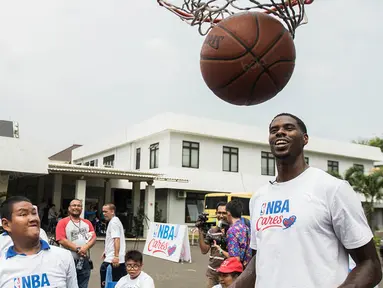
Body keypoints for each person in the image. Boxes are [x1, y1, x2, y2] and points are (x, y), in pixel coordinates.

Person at [229, 113, 382, 288]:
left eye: (288, 128)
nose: (280, 133)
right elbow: (259, 262)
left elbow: (370, 264)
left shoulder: (332, 189)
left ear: (305, 139)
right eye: (274, 130)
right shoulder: (259, 198)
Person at [0, 196, 78, 287]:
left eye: (34, 213)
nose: (33, 218)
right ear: (6, 224)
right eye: (23, 214)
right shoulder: (3, 266)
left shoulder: (63, 257)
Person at [56, 198, 97, 288]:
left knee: (83, 285)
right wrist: (78, 249)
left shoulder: (87, 223)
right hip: (68, 262)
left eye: (79, 206)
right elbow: (61, 239)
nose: (76, 207)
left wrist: (85, 247)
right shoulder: (62, 222)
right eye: (74, 205)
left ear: (81, 209)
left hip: (84, 262)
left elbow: (93, 238)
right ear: (69, 208)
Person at [197, 202, 228, 288]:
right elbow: (204, 250)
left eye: (224, 213)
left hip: (229, 275)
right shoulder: (212, 231)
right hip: (213, 274)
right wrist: (200, 229)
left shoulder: (233, 231)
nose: (221, 215)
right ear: (216, 213)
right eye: (219, 213)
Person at [212, 200, 251, 268]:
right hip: (247, 268)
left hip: (237, 270)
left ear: (229, 213)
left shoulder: (232, 231)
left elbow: (235, 258)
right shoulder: (245, 227)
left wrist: (220, 250)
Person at [100, 203, 127, 287]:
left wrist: (116, 256)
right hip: (113, 259)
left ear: (112, 211)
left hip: (112, 262)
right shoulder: (114, 221)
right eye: (103, 212)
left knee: (109, 285)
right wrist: (106, 251)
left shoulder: (114, 223)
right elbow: (112, 240)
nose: (104, 214)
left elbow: (116, 239)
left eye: (106, 211)